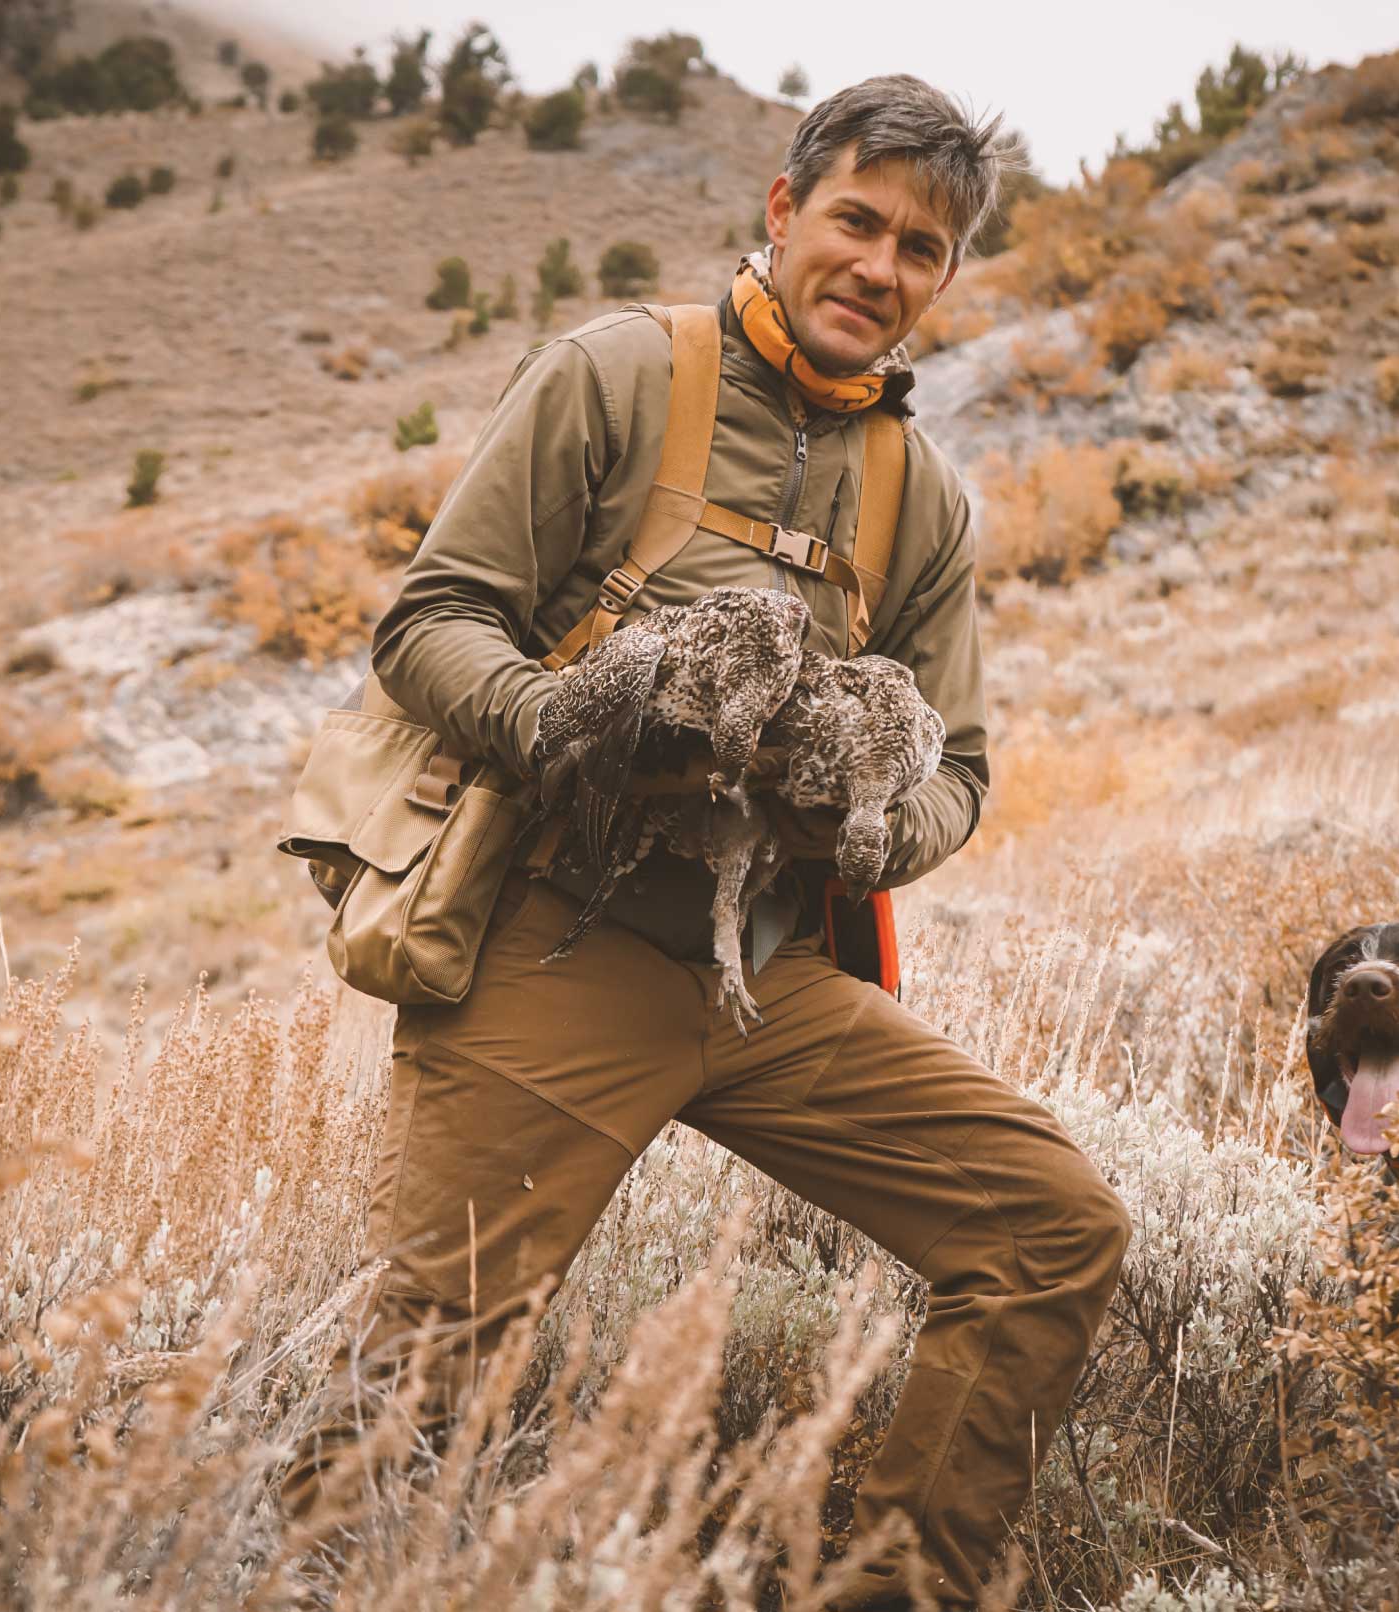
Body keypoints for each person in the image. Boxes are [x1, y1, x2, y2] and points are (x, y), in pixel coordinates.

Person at [284, 74, 1130, 1609]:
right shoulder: (619, 375)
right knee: (421, 1358)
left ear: (944, 277)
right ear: (784, 210)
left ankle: (892, 1587)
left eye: (922, 249)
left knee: (1052, 1229)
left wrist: (864, 824)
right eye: (859, 221)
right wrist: (570, 730)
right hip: (555, 947)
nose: (880, 267)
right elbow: (431, 618)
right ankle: (279, 1577)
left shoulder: (921, 500)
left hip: (771, 986)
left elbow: (961, 771)